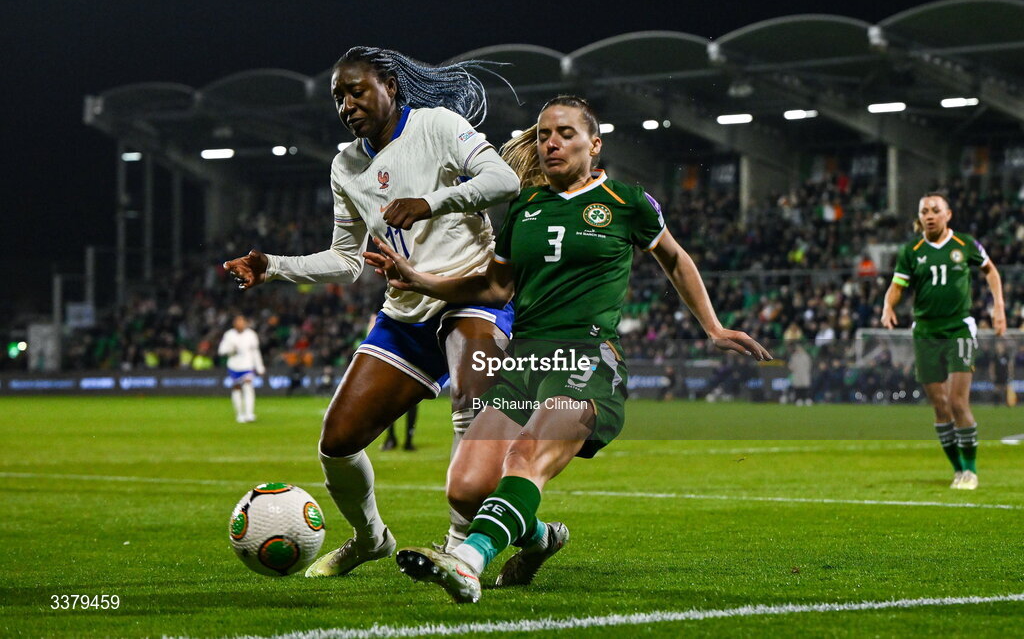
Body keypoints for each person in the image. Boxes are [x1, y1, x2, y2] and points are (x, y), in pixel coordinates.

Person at [365, 95, 771, 603]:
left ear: (593, 144)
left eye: (565, 133)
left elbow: (674, 257)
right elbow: (494, 289)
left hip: (586, 360)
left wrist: (712, 326)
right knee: (466, 488)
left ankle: (468, 563)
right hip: (523, 361)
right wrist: (419, 280)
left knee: (524, 454)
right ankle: (540, 538)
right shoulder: (525, 209)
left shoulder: (627, 202)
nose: (551, 142)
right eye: (542, 135)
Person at [223, 46, 520, 577]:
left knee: (472, 409)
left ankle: (457, 548)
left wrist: (431, 202)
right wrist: (273, 265)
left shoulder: (437, 125)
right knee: (337, 443)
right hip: (405, 315)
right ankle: (370, 538)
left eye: (356, 90)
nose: (347, 104)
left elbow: (505, 181)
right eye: (339, 96)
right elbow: (345, 260)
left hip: (470, 295)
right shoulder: (346, 164)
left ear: (390, 84)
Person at [881, 193, 1006, 490]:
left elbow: (991, 271)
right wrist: (888, 305)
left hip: (958, 329)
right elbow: (897, 285)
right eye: (924, 211)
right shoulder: (911, 250)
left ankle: (971, 471)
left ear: (948, 214)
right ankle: (958, 470)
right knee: (939, 406)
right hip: (925, 332)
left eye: (935, 210)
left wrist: (998, 306)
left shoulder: (965, 244)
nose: (930, 215)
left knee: (957, 401)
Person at [217, 315, 265, 423]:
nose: (240, 324)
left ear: (245, 323)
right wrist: (231, 349)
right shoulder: (229, 335)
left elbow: (255, 352)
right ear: (234, 324)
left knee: (248, 387)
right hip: (234, 366)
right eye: (238, 322)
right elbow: (221, 351)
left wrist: (260, 366)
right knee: (237, 389)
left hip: (247, 365)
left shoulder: (251, 335)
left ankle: (249, 413)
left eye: (242, 322)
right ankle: (240, 414)